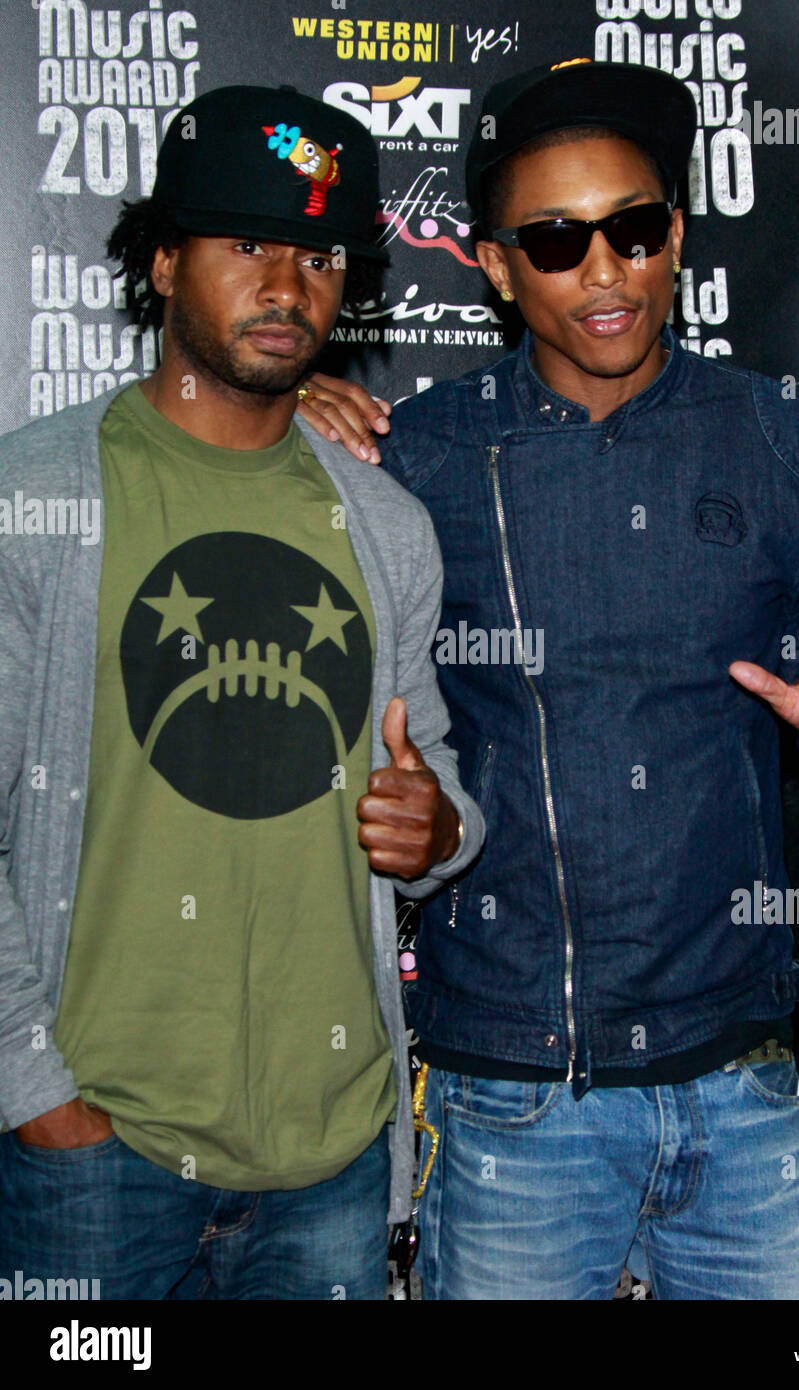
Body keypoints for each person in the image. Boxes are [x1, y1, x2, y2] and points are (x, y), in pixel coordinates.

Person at [297, 59, 799, 1301]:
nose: (605, 270)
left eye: (635, 229)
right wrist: (286, 413)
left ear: (675, 236)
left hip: (745, 1089)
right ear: (493, 264)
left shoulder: (778, 435)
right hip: (513, 1102)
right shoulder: (415, 456)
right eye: (555, 239)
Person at [0, 84, 483, 1301]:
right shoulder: (39, 499)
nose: (288, 285)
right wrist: (37, 1094)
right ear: (163, 260)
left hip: (327, 1157)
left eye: (320, 255)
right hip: (96, 1162)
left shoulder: (385, 525)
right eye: (247, 244)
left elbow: (430, 793)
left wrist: (436, 828)